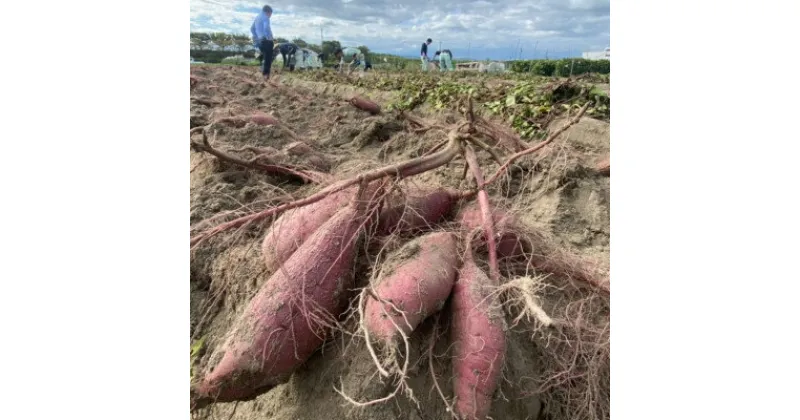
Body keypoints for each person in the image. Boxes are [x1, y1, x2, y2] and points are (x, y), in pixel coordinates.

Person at [250, 5, 274, 81]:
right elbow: (266, 28)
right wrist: (269, 37)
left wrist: (256, 37)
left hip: (259, 41)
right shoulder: (265, 17)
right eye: (271, 14)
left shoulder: (257, 17)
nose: (270, 16)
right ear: (268, 12)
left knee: (263, 56)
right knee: (268, 58)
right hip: (266, 41)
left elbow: (252, 29)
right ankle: (266, 75)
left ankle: (262, 71)